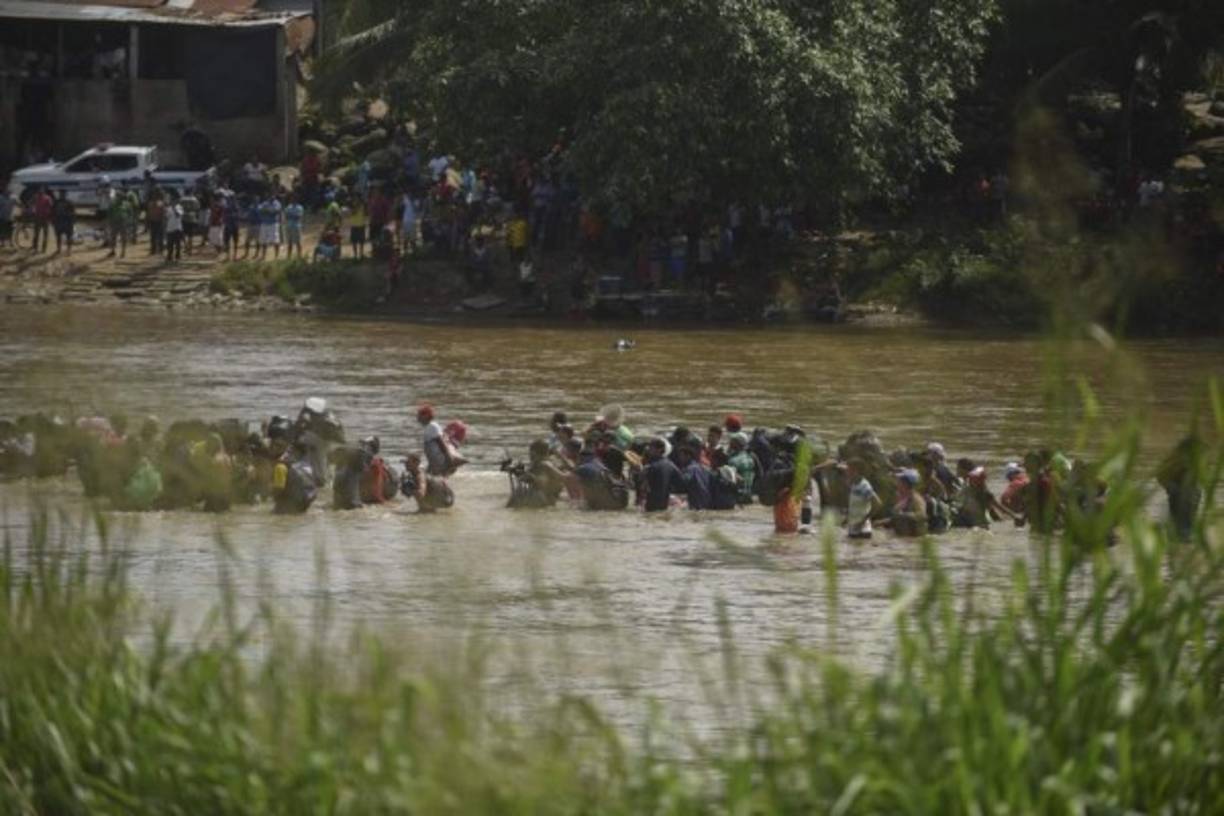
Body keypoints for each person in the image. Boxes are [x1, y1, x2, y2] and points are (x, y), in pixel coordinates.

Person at [1156, 434, 1203, 541]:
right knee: (1177, 494)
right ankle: (1179, 529)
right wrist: (1169, 486)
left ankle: (1187, 528)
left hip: (1187, 487)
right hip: (1174, 486)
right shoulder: (1174, 458)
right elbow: (1160, 474)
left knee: (1195, 494)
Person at [640, 437, 682, 512]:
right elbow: (680, 482)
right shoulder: (671, 465)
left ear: (659, 450)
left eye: (651, 448)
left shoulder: (652, 467)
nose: (649, 450)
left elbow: (644, 488)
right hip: (664, 505)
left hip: (651, 506)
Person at [845, 458, 882, 539]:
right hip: (853, 529)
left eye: (848, 469)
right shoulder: (853, 484)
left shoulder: (864, 486)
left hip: (863, 531)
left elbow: (878, 504)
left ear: (855, 471)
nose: (846, 471)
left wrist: (863, 521)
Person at [886, 469, 928, 537]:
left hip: (912, 538)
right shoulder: (904, 498)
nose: (897, 483)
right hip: (902, 535)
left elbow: (922, 515)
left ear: (905, 484)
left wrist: (904, 515)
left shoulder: (916, 499)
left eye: (899, 481)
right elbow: (895, 517)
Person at [675, 443, 712, 510]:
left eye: (681, 455)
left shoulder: (690, 469)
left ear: (688, 456)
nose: (679, 458)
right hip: (707, 501)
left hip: (697, 502)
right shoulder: (703, 467)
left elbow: (682, 482)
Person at [726, 432, 757, 505]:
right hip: (749, 495)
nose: (730, 443)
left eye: (732, 441)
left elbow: (729, 482)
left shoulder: (733, 460)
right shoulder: (751, 458)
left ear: (738, 444)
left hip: (737, 497)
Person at [30, 186, 53, 253]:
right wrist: (32, 209)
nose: (40, 192)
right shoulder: (35, 197)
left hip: (45, 218)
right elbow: (30, 203)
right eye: (40, 191)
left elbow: (51, 207)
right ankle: (35, 248)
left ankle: (43, 249)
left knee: (45, 234)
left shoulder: (47, 198)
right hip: (38, 218)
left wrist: (50, 216)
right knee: (36, 234)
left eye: (42, 191)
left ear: (44, 191)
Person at [51, 190, 74, 255]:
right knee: (58, 237)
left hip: (67, 222)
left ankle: (69, 250)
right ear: (59, 194)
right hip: (58, 222)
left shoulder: (69, 203)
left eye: (63, 194)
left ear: (65, 195)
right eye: (61, 194)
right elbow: (53, 212)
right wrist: (53, 221)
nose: (62, 195)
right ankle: (59, 249)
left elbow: (73, 213)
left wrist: (71, 222)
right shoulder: (56, 202)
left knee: (68, 237)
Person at [164, 193, 184, 263]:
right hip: (170, 228)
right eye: (172, 200)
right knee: (170, 244)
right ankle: (169, 256)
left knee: (178, 244)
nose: (173, 202)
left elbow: (179, 215)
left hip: (177, 228)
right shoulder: (168, 208)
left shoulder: (179, 207)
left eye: (174, 200)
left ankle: (178, 256)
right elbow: (166, 217)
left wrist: (174, 208)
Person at [347, 195, 368, 259]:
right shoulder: (351, 206)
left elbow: (366, 213)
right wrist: (355, 206)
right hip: (354, 225)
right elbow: (353, 212)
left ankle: (361, 254)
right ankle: (355, 255)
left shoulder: (362, 205)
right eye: (355, 198)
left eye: (357, 198)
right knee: (354, 241)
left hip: (361, 224)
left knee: (361, 241)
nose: (356, 200)